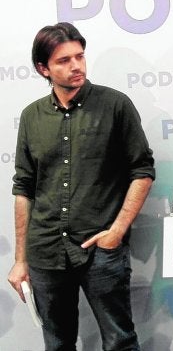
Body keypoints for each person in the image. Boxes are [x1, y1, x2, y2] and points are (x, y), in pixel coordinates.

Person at [8, 22, 155, 351]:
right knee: (57, 344)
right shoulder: (31, 117)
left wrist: (116, 231)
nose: (76, 66)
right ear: (43, 68)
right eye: (64, 60)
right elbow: (24, 189)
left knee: (120, 341)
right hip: (45, 252)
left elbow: (142, 171)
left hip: (100, 249)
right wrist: (21, 259)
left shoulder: (115, 105)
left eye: (80, 56)